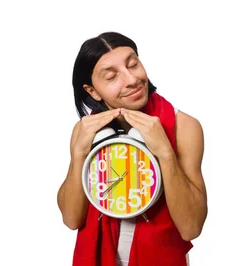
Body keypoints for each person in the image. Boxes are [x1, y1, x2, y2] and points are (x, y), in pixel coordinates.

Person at [56, 32, 207, 266]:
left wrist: (165, 153)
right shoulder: (86, 131)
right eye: (112, 76)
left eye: (133, 64)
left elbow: (191, 228)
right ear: (92, 91)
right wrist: (79, 155)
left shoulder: (184, 127)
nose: (131, 80)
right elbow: (71, 219)